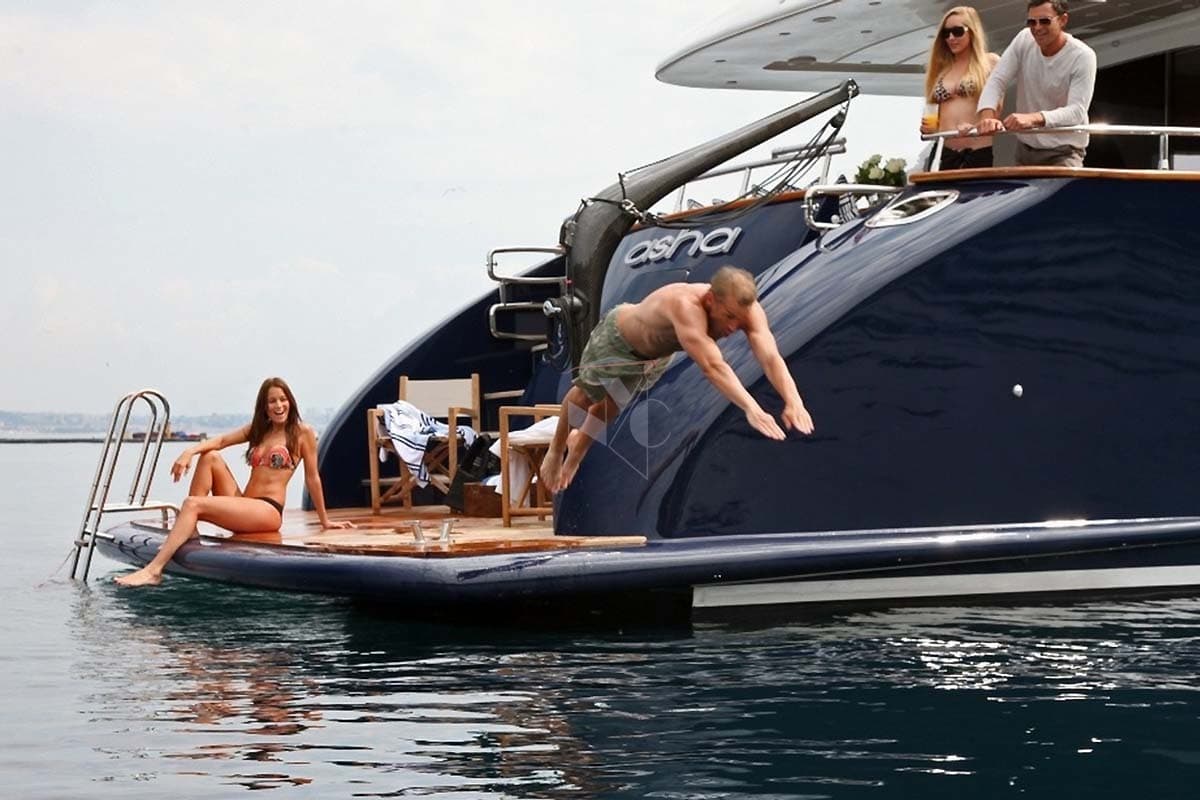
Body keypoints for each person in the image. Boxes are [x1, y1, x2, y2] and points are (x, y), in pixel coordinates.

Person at [540, 266, 814, 493]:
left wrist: (794, 402)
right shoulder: (685, 305)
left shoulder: (748, 310)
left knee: (611, 407)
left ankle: (577, 450)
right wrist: (752, 408)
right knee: (585, 397)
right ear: (710, 300)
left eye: (740, 320)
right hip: (618, 341)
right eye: (729, 317)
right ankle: (556, 450)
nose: (733, 327)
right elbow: (713, 367)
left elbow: (770, 357)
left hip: (653, 357)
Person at [115, 376, 352, 587]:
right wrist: (189, 452)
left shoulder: (303, 432)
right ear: (265, 407)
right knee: (210, 457)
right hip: (245, 504)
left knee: (192, 504)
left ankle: (154, 570)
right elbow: (220, 441)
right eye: (272, 401)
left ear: (290, 401)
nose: (279, 405)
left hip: (267, 511)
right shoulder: (259, 430)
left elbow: (312, 477)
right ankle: (190, 530)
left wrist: (325, 521)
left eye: (283, 399)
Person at [971, 0, 1097, 167]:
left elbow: (1076, 111)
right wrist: (987, 117)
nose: (1037, 28)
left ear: (1063, 20)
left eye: (1045, 21)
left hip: (1063, 151)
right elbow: (997, 79)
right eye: (1031, 22)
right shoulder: (1024, 38)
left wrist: (1033, 118)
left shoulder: (1083, 56)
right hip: (1025, 149)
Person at [921, 6, 1000, 170]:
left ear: (972, 31)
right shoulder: (940, 69)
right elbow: (933, 111)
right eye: (946, 33)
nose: (951, 38)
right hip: (943, 152)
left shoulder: (990, 62)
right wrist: (928, 128)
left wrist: (974, 126)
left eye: (957, 31)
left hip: (977, 151)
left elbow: (996, 110)